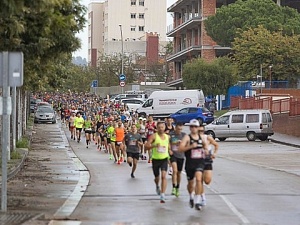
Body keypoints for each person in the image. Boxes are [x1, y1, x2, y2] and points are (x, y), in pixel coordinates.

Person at [179, 119, 208, 211]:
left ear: (198, 127)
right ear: (190, 128)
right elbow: (180, 149)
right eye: (192, 126)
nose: (194, 128)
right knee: (191, 184)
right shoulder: (187, 138)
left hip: (199, 162)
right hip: (190, 163)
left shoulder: (201, 137)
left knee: (199, 179)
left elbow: (206, 146)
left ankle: (198, 200)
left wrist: (206, 150)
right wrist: (191, 147)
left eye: (195, 127)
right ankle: (191, 196)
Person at [145, 122, 169, 203]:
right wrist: (154, 146)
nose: (161, 129)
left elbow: (169, 147)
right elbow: (146, 146)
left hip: (164, 159)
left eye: (162, 127)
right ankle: (157, 186)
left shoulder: (167, 137)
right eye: (159, 127)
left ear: (164, 128)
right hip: (155, 159)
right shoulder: (154, 136)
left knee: (163, 176)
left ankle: (162, 194)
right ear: (157, 128)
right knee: (157, 178)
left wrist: (170, 154)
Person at [199, 124, 219, 206]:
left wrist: (214, 153)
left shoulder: (208, 138)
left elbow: (216, 145)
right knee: (199, 180)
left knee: (207, 181)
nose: (200, 133)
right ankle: (202, 197)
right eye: (198, 131)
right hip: (197, 161)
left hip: (207, 161)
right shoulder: (193, 139)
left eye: (201, 131)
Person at [169, 122, 185, 197]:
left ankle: (177, 187)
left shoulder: (184, 135)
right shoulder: (171, 134)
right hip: (173, 155)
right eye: (178, 129)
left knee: (179, 173)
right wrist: (169, 149)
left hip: (181, 156)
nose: (179, 131)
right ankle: (173, 187)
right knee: (174, 171)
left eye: (180, 129)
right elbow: (168, 143)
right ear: (175, 128)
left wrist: (182, 143)